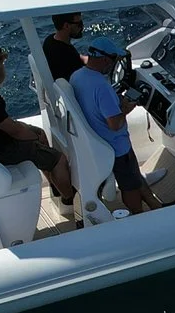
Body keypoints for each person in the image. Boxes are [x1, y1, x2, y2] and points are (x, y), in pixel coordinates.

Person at [0, 38, 76, 207]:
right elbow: (14, 131)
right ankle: (70, 202)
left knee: (40, 134)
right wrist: (34, 139)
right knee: (59, 160)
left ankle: (56, 186)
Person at [69, 35, 163, 213]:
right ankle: (139, 215)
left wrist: (115, 102)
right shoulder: (102, 87)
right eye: (114, 59)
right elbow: (115, 125)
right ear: (106, 59)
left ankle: (154, 205)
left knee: (134, 176)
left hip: (97, 138)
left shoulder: (77, 76)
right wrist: (127, 108)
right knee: (130, 186)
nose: (114, 64)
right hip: (116, 147)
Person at [41, 13, 85, 83]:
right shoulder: (68, 57)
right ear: (66, 26)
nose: (82, 26)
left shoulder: (49, 40)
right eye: (79, 24)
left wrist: (86, 60)